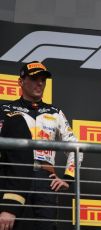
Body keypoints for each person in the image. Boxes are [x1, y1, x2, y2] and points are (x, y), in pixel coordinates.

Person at [0, 61, 83, 230]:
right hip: (15, 177)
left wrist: (68, 177)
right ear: (20, 82)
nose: (40, 83)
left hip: (45, 179)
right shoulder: (6, 109)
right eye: (34, 78)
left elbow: (75, 146)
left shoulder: (55, 112)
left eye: (43, 80)